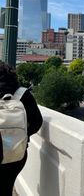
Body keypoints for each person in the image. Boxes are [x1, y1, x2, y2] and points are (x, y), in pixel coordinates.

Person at [0, 62, 43, 196]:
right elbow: (37, 122)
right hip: (15, 154)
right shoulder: (22, 94)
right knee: (6, 188)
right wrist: (22, 136)